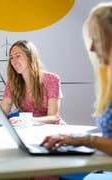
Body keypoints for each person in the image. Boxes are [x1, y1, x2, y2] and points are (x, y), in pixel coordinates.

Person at [41, 3, 112, 179]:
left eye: (96, 39)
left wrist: (85, 140)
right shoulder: (108, 82)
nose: (92, 49)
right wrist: (74, 138)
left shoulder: (51, 79)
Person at [1, 40, 66, 125]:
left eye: (18, 56)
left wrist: (27, 120)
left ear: (30, 57)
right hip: (28, 128)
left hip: (52, 130)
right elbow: (3, 112)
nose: (14, 61)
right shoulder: (12, 83)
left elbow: (53, 117)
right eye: (11, 57)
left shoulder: (52, 79)